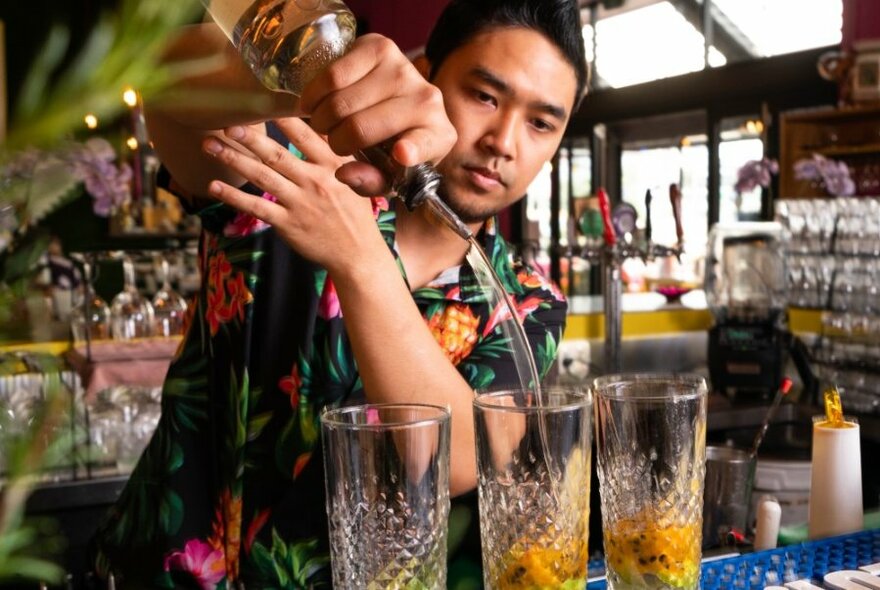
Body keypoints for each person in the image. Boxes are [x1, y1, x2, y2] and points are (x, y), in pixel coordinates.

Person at [90, 0, 588, 587]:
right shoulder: (302, 173)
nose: (504, 141)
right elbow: (169, 96)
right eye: (484, 95)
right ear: (425, 78)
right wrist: (318, 85)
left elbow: (457, 460)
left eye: (540, 123)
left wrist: (360, 257)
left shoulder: (527, 300)